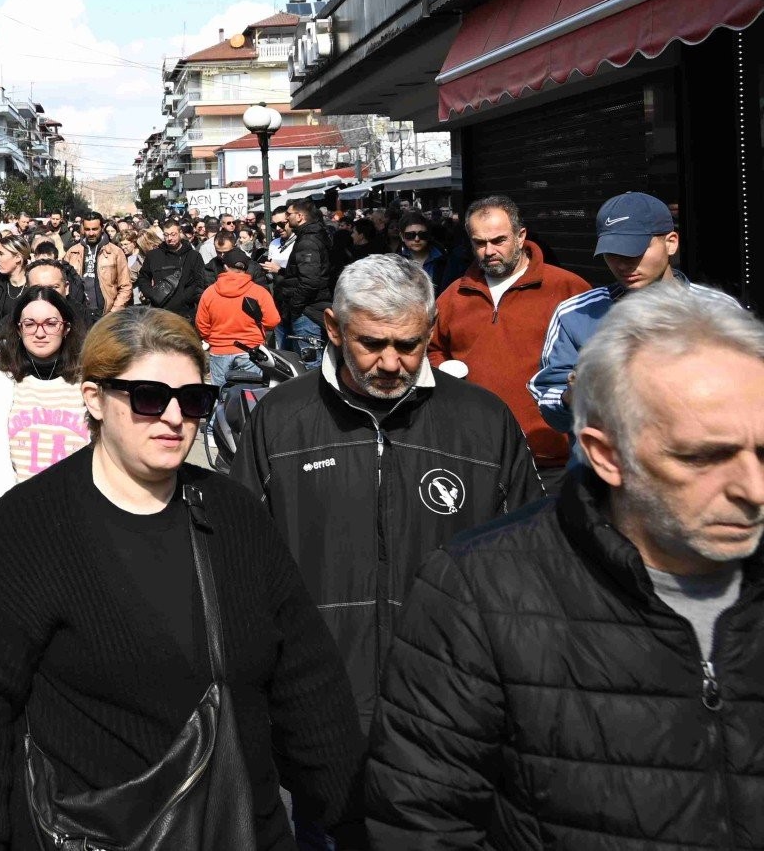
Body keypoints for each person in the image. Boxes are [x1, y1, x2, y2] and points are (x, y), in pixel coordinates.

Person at [0, 307, 365, 850]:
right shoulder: (29, 525)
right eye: (147, 397)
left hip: (238, 824)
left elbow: (307, 681)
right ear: (93, 399)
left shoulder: (234, 515)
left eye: (192, 400)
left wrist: (349, 818)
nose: (172, 417)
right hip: (91, 832)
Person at [368, 285, 764, 846]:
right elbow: (423, 821)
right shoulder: (478, 594)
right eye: (702, 456)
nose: (752, 489)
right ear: (607, 454)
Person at [233, 255, 542, 736]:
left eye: (409, 344)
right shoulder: (279, 420)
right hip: (313, 708)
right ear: (334, 328)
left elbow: (527, 563)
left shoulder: (484, 423)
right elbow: (239, 563)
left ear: (431, 329)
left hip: (452, 708)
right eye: (372, 344)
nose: (391, 363)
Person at [531, 190, 740, 438]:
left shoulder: (718, 310)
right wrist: (571, 397)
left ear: (671, 242)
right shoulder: (576, 314)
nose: (622, 263)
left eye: (634, 250)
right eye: (612, 253)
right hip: (608, 469)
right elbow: (548, 398)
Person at [426, 194, 590, 483]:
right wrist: (442, 371)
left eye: (498, 240)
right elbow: (432, 349)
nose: (488, 251)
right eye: (479, 243)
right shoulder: (454, 295)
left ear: (520, 235)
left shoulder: (568, 288)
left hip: (553, 459)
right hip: (479, 456)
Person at [0, 286, 92, 553]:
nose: (40, 332)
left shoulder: (88, 386)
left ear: (66, 328)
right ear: (18, 329)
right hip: (14, 521)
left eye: (50, 323)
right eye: (29, 324)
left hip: (76, 521)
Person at [194, 252, 281, 389]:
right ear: (246, 268)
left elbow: (201, 324)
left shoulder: (209, 293)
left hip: (219, 350)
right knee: (251, 396)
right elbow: (272, 321)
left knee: (221, 396)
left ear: (225, 267)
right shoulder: (259, 292)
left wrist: (213, 339)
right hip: (250, 350)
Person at [265, 199, 335, 355]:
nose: (286, 219)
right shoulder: (309, 236)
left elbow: (309, 281)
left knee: (308, 362)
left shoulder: (308, 240)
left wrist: (296, 306)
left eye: (289, 214)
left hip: (307, 311)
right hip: (306, 308)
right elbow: (299, 273)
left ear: (300, 216)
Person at [135, 219, 206, 320]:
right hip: (159, 311)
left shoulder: (193, 256)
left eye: (173, 234)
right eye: (166, 235)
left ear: (180, 233)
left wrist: (185, 298)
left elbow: (200, 281)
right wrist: (150, 294)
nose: (169, 238)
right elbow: (143, 277)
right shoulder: (153, 255)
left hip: (185, 313)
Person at [394, 212, 457, 291]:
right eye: (410, 235)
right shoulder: (395, 262)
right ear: (402, 237)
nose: (417, 239)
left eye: (422, 235)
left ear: (428, 235)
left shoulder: (444, 259)